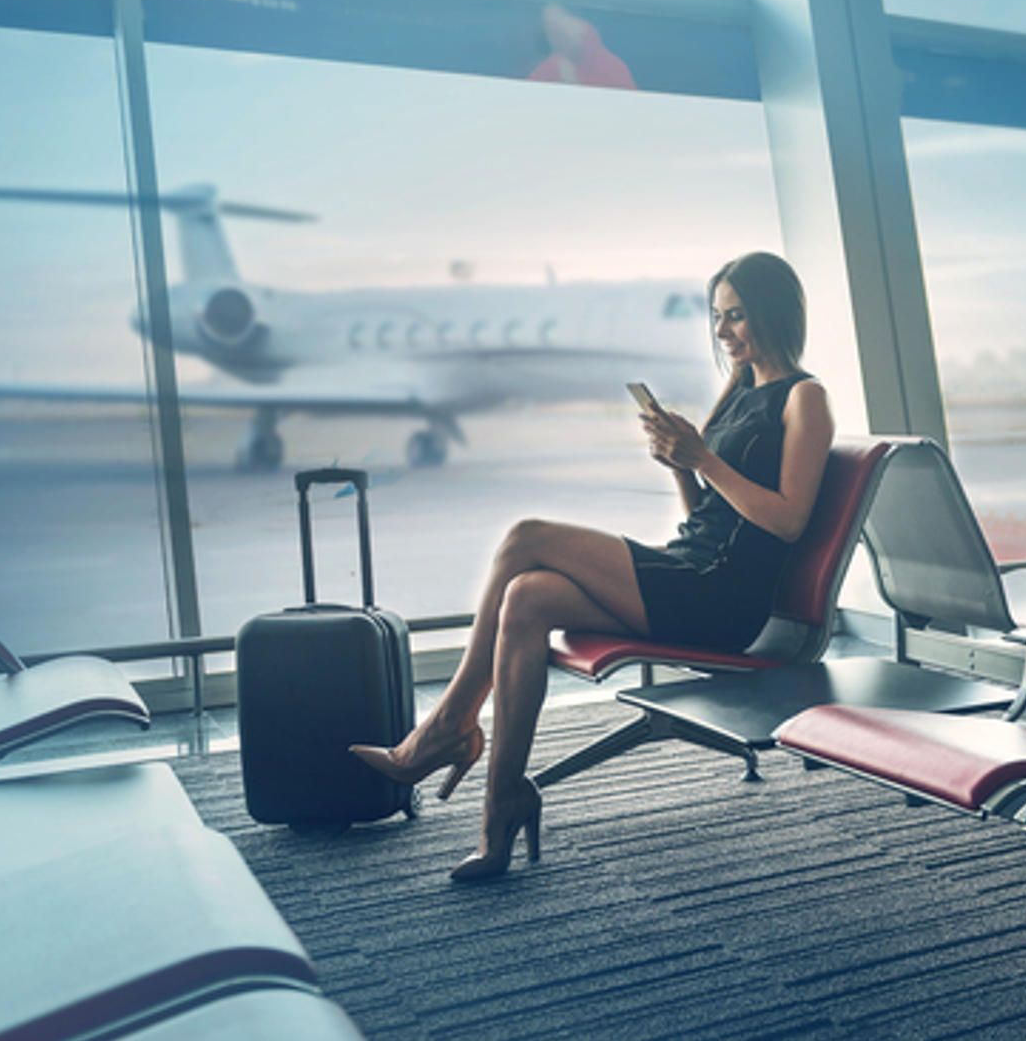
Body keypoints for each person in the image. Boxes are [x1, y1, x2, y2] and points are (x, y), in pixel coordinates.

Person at [351, 252, 833, 880]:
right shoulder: (738, 391)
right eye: (717, 317)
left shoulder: (806, 397)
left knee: (525, 537)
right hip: (690, 563)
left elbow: (788, 520)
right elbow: (712, 510)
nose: (722, 332)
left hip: (722, 596)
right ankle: (503, 805)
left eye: (736, 316)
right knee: (527, 596)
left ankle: (447, 727)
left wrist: (704, 460)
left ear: (773, 312)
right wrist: (682, 467)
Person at [528, 2, 635, 89]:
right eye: (552, 31)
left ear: (579, 23)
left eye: (562, 24)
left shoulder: (613, 67)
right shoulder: (544, 72)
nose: (560, 35)